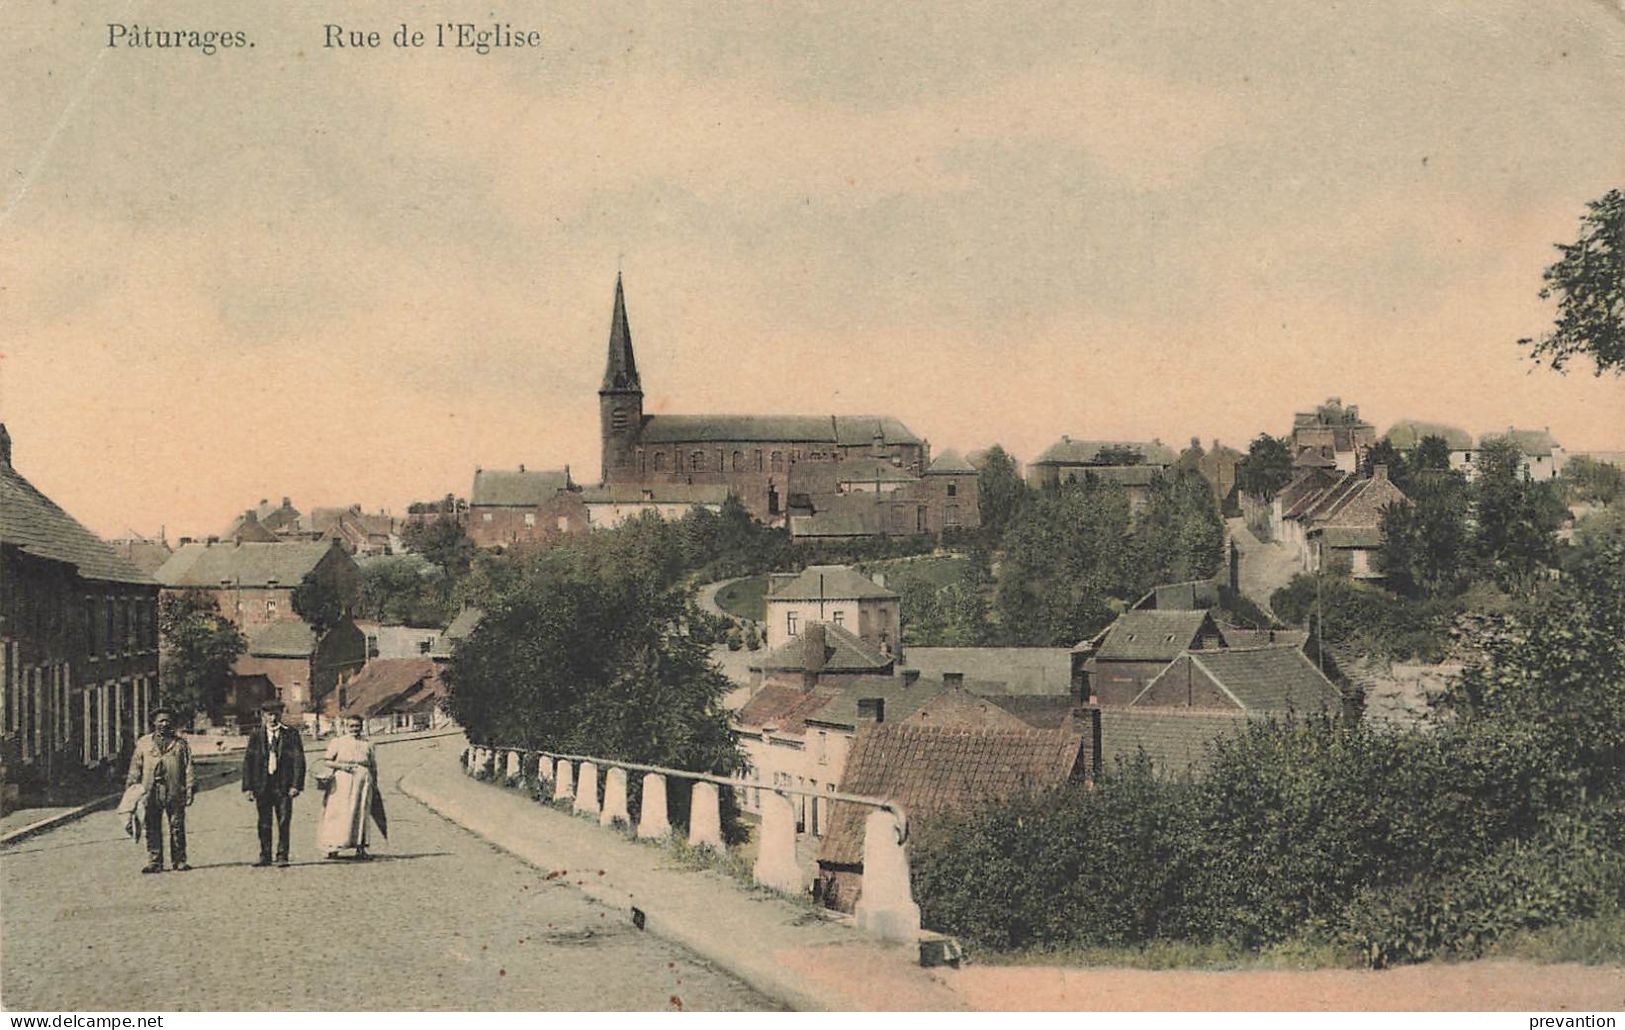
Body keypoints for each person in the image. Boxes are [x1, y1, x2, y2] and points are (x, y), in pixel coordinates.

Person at [125, 706, 195, 874]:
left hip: (174, 790)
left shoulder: (180, 744)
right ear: (154, 723)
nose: (164, 724)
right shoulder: (144, 743)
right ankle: (154, 861)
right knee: (152, 826)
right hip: (151, 791)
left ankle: (179, 860)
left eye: (167, 721)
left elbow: (188, 767)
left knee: (176, 826)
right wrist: (132, 790)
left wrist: (190, 788)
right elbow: (136, 768)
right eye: (160, 720)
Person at [241, 700, 305, 867]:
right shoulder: (256, 735)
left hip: (283, 785)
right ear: (263, 716)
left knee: (284, 820)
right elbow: (248, 761)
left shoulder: (291, 734)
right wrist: (248, 787)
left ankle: (282, 855)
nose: (273, 718)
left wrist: (296, 785)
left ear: (281, 715)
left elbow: (299, 760)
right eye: (269, 714)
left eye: (276, 714)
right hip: (262, 785)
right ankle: (265, 855)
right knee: (264, 821)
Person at [316, 715, 385, 860]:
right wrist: (342, 766)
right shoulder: (338, 742)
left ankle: (360, 847)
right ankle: (333, 847)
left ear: (362, 726)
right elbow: (327, 761)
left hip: (363, 779)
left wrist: (374, 782)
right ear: (346, 727)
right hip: (342, 780)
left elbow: (373, 765)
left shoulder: (368, 743)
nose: (355, 729)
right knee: (338, 812)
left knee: (361, 812)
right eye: (351, 726)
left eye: (357, 726)